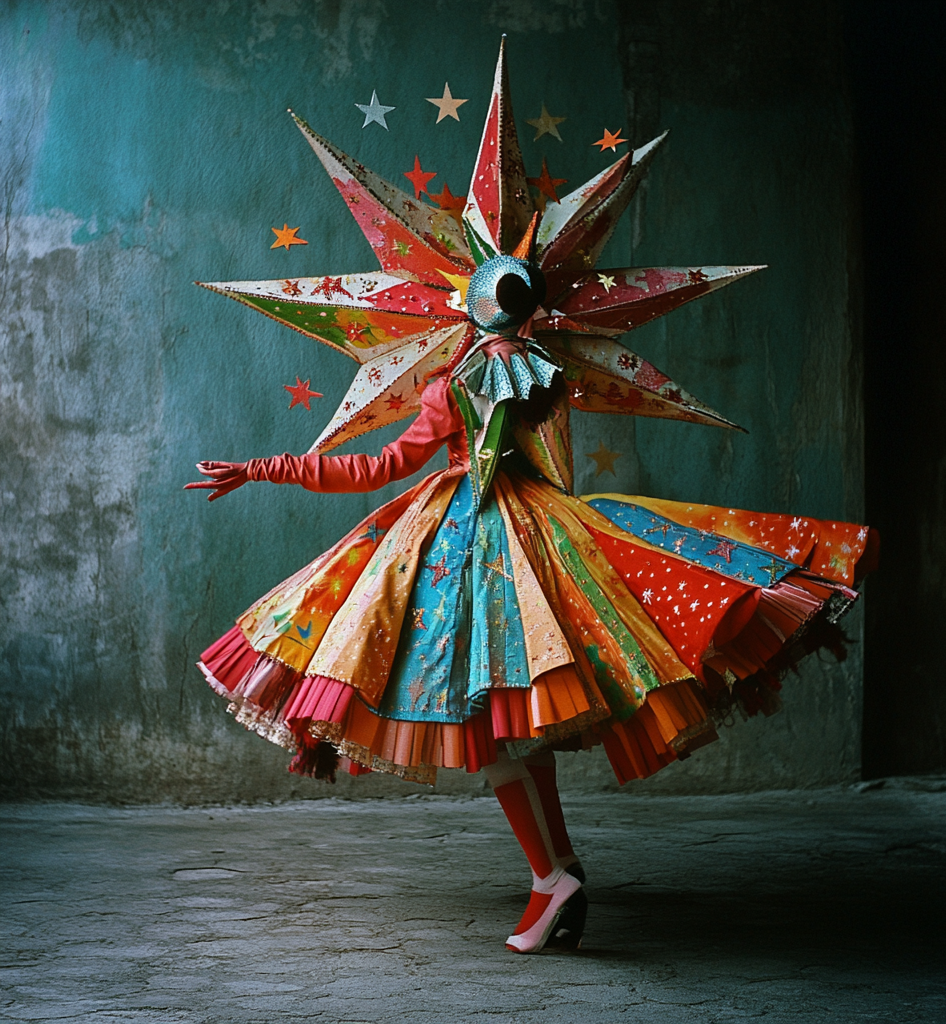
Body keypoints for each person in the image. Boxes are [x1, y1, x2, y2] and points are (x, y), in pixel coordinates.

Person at [186, 40, 877, 954]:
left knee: (497, 721)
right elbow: (490, 427)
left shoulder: (464, 384)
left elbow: (369, 469)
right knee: (517, 721)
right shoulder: (542, 374)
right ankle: (557, 869)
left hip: (475, 546)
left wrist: (263, 468)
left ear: (467, 309)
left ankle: (551, 876)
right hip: (535, 529)